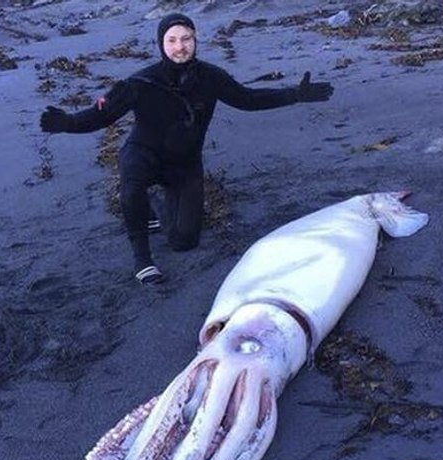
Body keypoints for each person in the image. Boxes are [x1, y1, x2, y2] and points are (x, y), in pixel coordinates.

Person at [39, 13, 334, 285]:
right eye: (172, 40)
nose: (180, 46)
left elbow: (248, 99)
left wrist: (295, 94)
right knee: (131, 188)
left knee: (184, 241)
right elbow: (101, 115)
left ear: (195, 41)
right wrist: (67, 122)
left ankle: (154, 204)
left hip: (184, 164)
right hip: (143, 155)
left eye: (186, 39)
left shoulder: (211, 77)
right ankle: (143, 259)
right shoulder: (140, 82)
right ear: (161, 44)